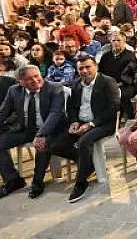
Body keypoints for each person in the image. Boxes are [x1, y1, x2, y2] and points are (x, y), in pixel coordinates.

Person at [50, 55, 120, 203]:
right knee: (56, 145)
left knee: (84, 142)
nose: (84, 71)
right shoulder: (76, 84)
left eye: (88, 67)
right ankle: (88, 164)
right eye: (81, 68)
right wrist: (74, 122)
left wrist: (91, 124)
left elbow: (113, 107)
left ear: (96, 67)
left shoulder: (107, 82)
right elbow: (71, 107)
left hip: (102, 123)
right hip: (81, 122)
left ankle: (81, 182)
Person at [0, 65, 65, 199]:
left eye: (37, 76)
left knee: (42, 145)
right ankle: (13, 180)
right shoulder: (14, 91)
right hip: (26, 129)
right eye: (29, 79)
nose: (35, 80)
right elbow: (3, 112)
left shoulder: (54, 88)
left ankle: (37, 182)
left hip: (49, 129)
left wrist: (42, 134)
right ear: (21, 82)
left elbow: (55, 114)